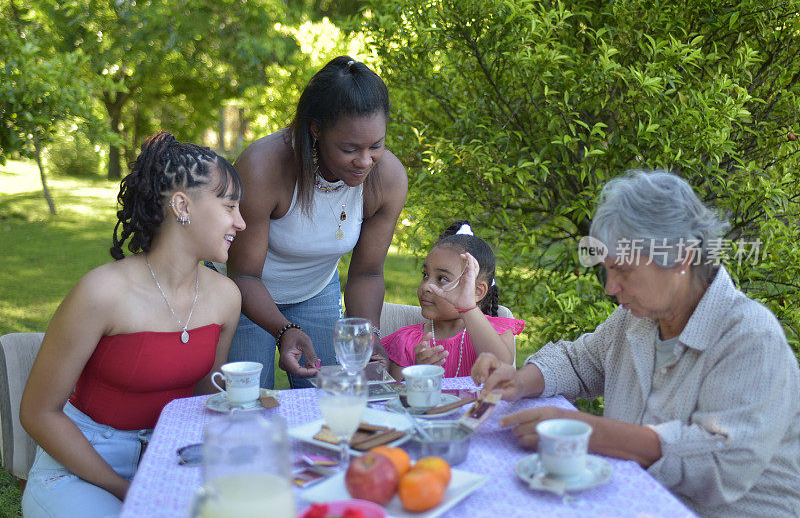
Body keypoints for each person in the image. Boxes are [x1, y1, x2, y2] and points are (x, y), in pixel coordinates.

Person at [473, 170, 800, 517]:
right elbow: (579, 361)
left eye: (624, 270)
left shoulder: (749, 337)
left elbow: (720, 460)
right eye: (607, 270)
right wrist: (519, 380)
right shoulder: (638, 320)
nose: (611, 288)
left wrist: (583, 431)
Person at [20, 132, 246, 517]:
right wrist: (127, 488)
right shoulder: (102, 292)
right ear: (181, 205)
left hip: (169, 458)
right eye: (229, 206)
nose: (240, 222)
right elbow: (38, 413)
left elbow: (204, 397)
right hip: (81, 470)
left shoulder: (226, 296)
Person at [226, 55, 407, 389]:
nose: (364, 161)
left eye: (376, 145)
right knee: (247, 400)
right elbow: (243, 273)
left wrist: (367, 337)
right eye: (349, 148)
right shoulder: (265, 167)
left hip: (316, 291)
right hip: (241, 295)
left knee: (329, 396)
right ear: (316, 129)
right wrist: (283, 329)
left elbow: (367, 273)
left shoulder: (387, 179)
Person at [381, 221, 524, 380]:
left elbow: (502, 366)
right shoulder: (406, 341)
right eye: (425, 275)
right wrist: (418, 370)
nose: (427, 286)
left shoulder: (496, 331)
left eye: (442, 278)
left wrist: (468, 308)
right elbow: (395, 394)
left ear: (477, 291)